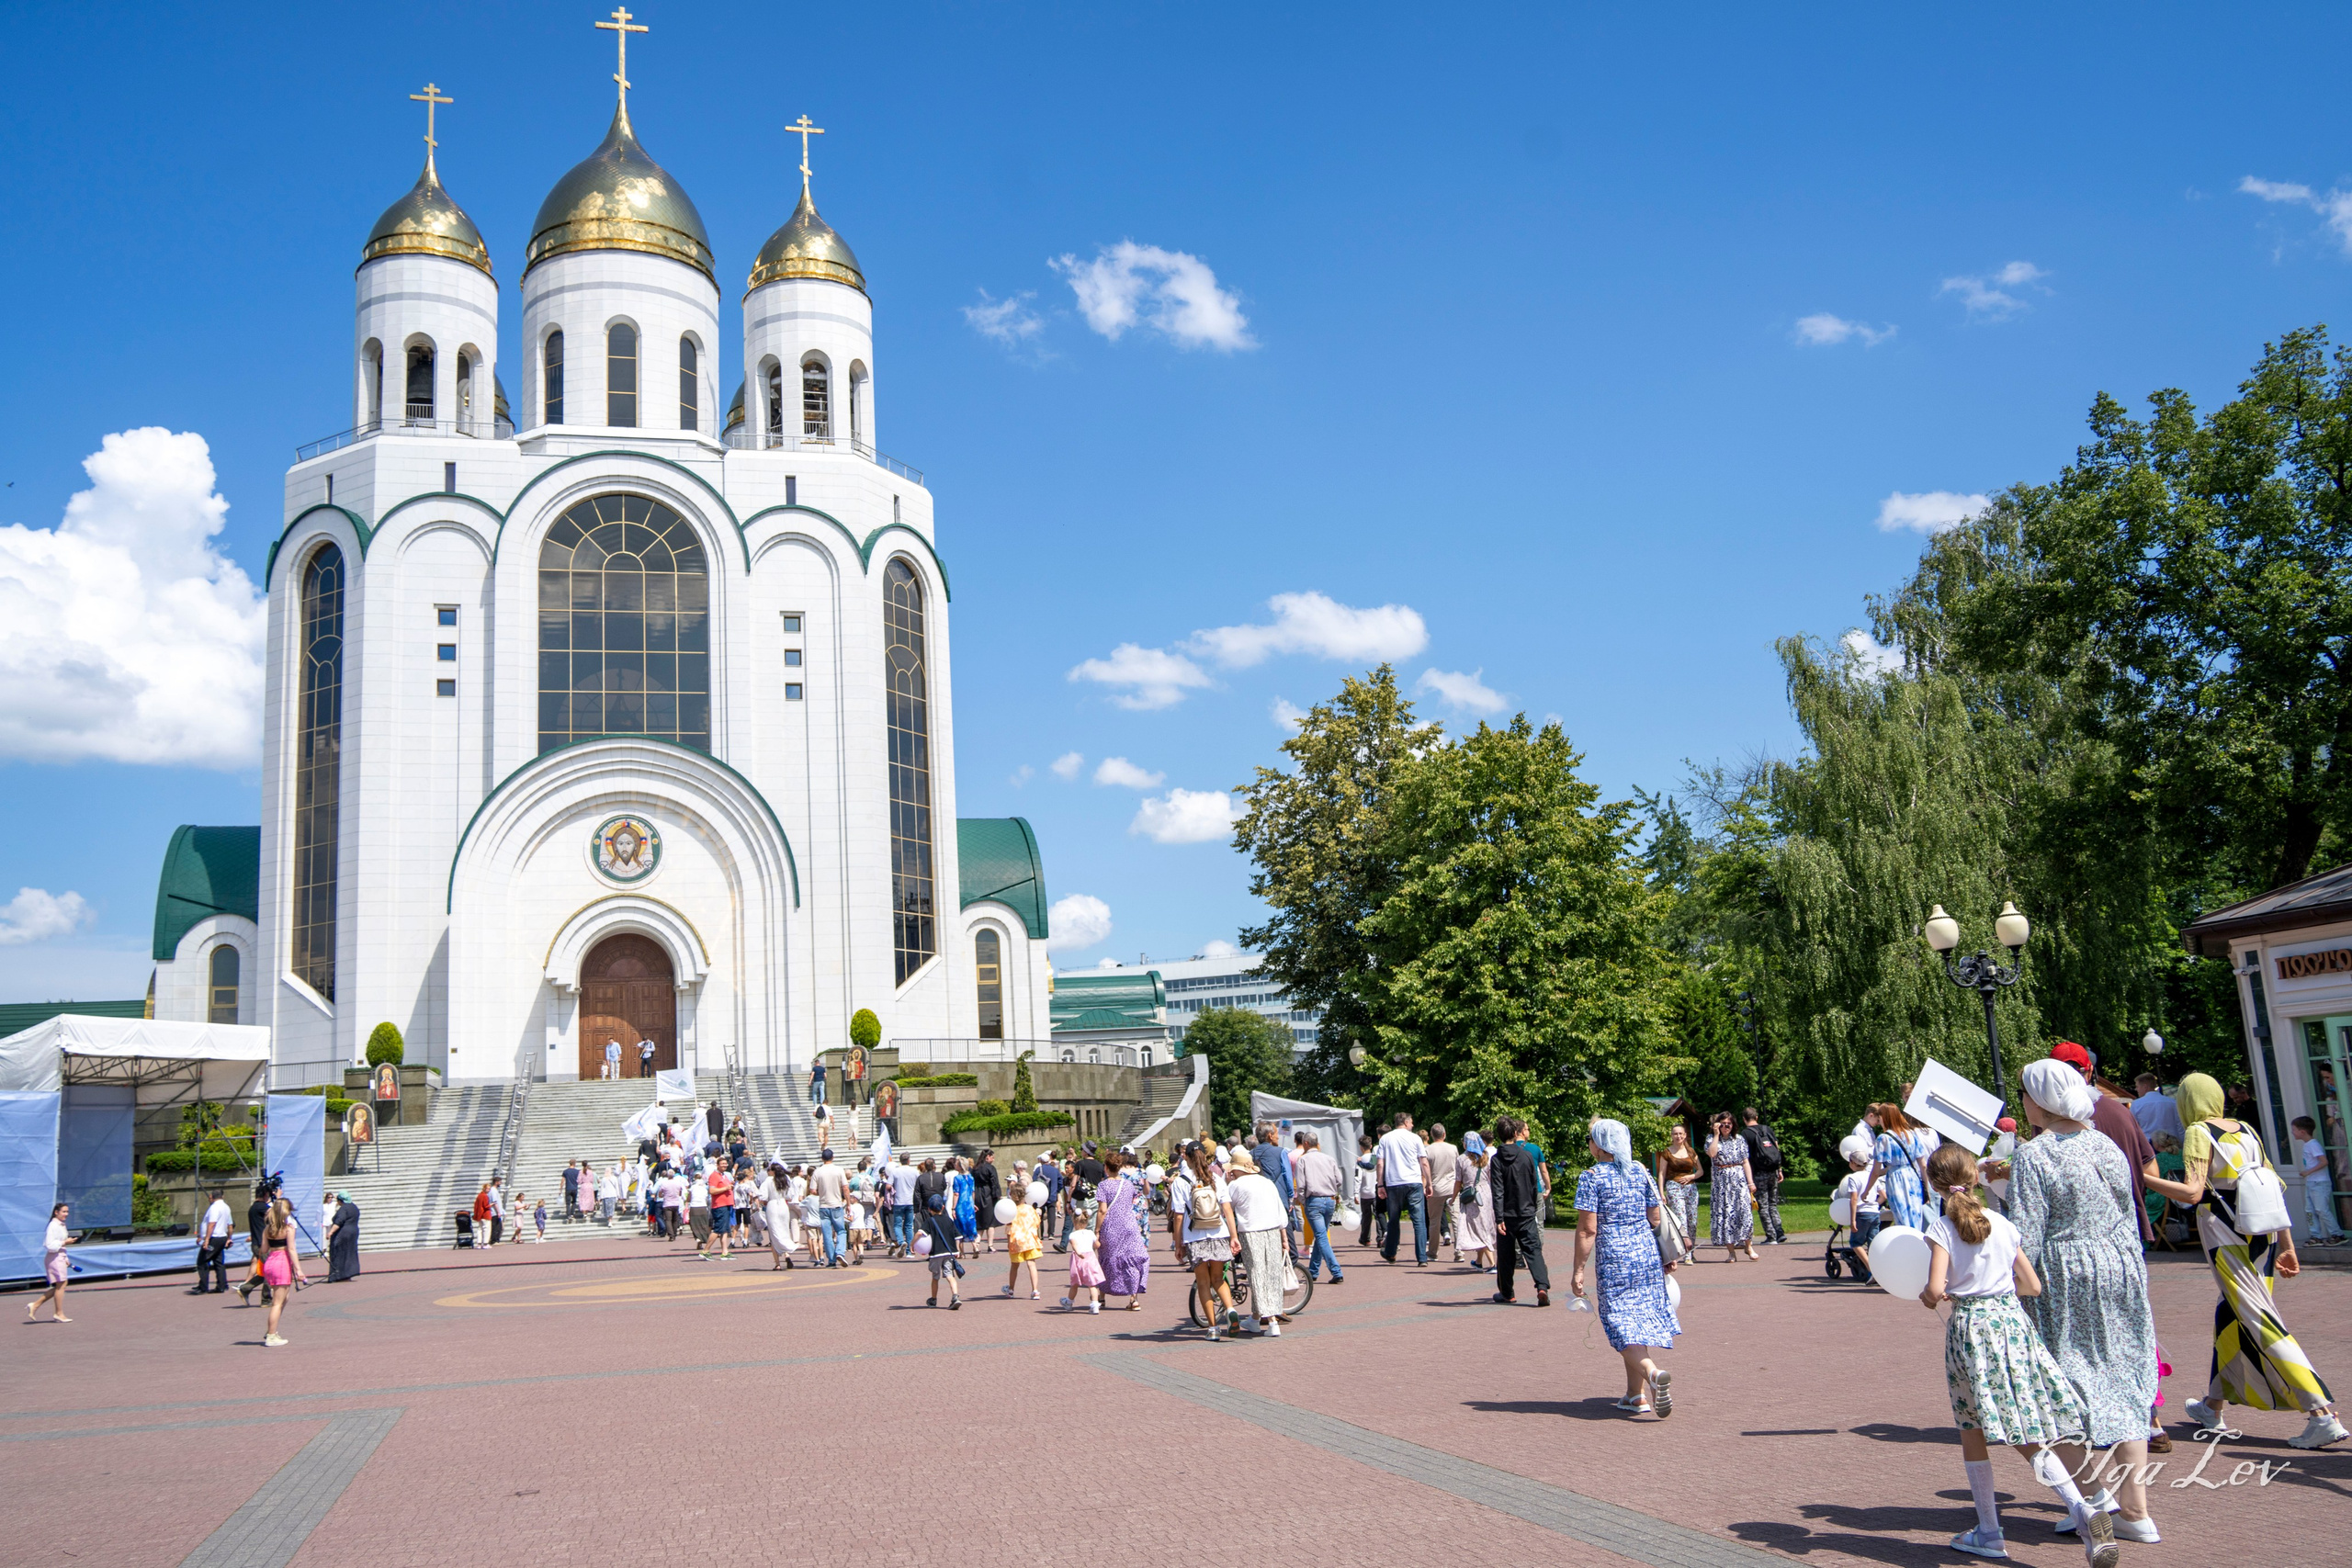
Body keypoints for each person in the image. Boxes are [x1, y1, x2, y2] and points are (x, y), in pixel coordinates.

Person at [1916, 1143, 2112, 1565]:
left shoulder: (1942, 1229)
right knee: (2026, 1425)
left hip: (1972, 1329)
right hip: (2013, 1324)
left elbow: (1934, 1289)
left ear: (1935, 1184)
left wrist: (1933, 1297)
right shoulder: (2002, 1224)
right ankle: (2080, 1508)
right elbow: (2033, 1286)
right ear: (1974, 1178)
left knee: (1974, 1427)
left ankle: (1994, 1530)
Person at [2143, 1072, 2346, 1450]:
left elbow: (2192, 1191)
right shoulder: (2246, 1129)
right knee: (2233, 1318)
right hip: (2263, 1236)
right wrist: (2287, 1244)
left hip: (2227, 1237)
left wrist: (2141, 1176)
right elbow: (2272, 1186)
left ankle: (2321, 1414)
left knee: (2258, 1319)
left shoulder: (2199, 1132)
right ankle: (2212, 1406)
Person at [2006, 1059, 2160, 1543]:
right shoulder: (2103, 1143)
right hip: (2119, 1266)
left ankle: (2093, 1500)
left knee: (2055, 1383)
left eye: (2026, 1093)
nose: (2023, 1102)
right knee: (2125, 1375)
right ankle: (2136, 1513)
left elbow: (2026, 1234)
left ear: (2041, 1100)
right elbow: (2125, 1207)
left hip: (2065, 1275)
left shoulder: (2035, 1155)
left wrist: (2011, 1281)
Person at [1570, 1120, 1679, 1416]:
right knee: (1637, 1320)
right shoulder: (1641, 1171)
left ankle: (1653, 1374)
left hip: (1614, 1257)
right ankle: (1636, 1395)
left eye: (1591, 1140)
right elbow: (1655, 1217)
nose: (1589, 1145)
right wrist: (1664, 1253)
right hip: (1644, 1253)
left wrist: (1578, 1271)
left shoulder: (1591, 1177)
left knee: (1618, 1322)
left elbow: (1587, 1230)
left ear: (1600, 1145)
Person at [2048, 1041, 2158, 1245]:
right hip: (2126, 1227)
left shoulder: (2050, 1121)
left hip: (2074, 1237)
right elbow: (2151, 1172)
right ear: (2089, 1071)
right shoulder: (2122, 1113)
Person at [1171, 1142, 1240, 1340]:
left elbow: (1178, 1216)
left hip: (1195, 1236)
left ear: (1187, 1158)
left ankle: (1213, 1329)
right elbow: (1227, 1210)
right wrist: (1233, 1237)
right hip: (1219, 1232)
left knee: (1203, 1282)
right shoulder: (1216, 1178)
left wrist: (1178, 1243)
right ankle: (1230, 1309)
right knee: (1218, 1279)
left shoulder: (1181, 1181)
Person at [1226, 1145, 1292, 1335]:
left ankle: (1271, 1322)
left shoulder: (1235, 1185)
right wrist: (1284, 1239)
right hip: (1272, 1231)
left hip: (1250, 1232)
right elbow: (1280, 1214)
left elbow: (1227, 1209)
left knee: (1257, 1275)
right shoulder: (1266, 1182)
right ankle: (1255, 1319)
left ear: (1236, 1169)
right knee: (1271, 1274)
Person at [1489, 1115, 1552, 1306]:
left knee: (1506, 1256)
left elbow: (1498, 1190)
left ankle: (1507, 1293)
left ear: (1499, 1135)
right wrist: (1533, 1205)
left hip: (1507, 1214)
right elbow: (1534, 1184)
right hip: (1526, 1211)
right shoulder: (1526, 1155)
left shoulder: (1497, 1159)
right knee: (1533, 1251)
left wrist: (1499, 1216)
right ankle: (1542, 1286)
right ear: (1516, 1134)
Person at [1862, 1101, 1941, 1232]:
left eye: (1880, 1117)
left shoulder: (1884, 1138)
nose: (1879, 1120)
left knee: (1901, 1216)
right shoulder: (1912, 1135)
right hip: (1912, 1177)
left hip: (1896, 1179)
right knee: (1916, 1216)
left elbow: (1875, 1172)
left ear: (1885, 1117)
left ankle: (1907, 1246)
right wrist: (1928, 1189)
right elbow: (1923, 1165)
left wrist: (1866, 1191)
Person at [1095, 1150, 1151, 1308]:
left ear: (1106, 1167)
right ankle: (1133, 1299)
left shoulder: (1103, 1185)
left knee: (1107, 1258)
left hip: (1111, 1227)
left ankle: (1102, 1297)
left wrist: (1097, 1230)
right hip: (1129, 1226)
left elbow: (1102, 1210)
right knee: (1131, 1259)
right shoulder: (1128, 1184)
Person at [1375, 1113, 1432, 1265]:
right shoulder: (1415, 1138)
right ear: (1406, 1122)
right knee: (1419, 1220)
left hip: (1394, 1183)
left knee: (1393, 1220)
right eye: (1411, 1122)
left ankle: (1391, 1252)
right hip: (1414, 1182)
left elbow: (1380, 1163)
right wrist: (1429, 1184)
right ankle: (1421, 1257)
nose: (1412, 1125)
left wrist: (1380, 1184)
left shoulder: (1386, 1139)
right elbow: (1424, 1162)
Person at [1704, 1111, 1758, 1262]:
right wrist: (1715, 1135)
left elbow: (1745, 1161)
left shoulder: (1739, 1139)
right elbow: (1712, 1154)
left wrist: (1750, 1182)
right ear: (1717, 1125)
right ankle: (1731, 1252)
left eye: (1729, 1124)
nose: (1726, 1126)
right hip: (1722, 1184)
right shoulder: (1710, 1139)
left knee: (1745, 1213)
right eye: (1723, 1124)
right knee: (1726, 1215)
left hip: (1739, 1180)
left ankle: (1748, 1246)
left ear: (1733, 1125)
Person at [1295, 1129, 1347, 1284]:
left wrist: (1303, 1200)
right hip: (1330, 1199)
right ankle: (1313, 1271)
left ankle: (1336, 1271)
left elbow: (1301, 1185)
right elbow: (1339, 1179)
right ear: (1316, 1143)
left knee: (1321, 1236)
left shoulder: (1303, 1160)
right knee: (1321, 1235)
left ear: (1305, 1143)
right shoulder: (1329, 1158)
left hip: (1314, 1200)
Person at [258, 1197, 308, 1348]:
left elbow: (263, 1250)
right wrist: (299, 1270)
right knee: (277, 1303)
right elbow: (292, 1249)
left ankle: (272, 1331)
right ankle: (271, 1335)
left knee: (283, 1298)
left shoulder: (267, 1229)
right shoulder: (288, 1229)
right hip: (282, 1262)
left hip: (271, 1261)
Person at [1832, 1136, 1885, 1274]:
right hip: (1874, 1213)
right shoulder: (1871, 1175)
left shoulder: (1853, 1178)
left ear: (1853, 1164)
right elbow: (1883, 1196)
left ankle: (1871, 1269)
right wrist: (1875, 1205)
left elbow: (1854, 1199)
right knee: (1873, 1243)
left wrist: (1852, 1220)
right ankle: (1881, 1268)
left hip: (1862, 1213)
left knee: (1856, 1243)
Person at [1739, 1108, 1787, 1245]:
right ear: (1757, 1117)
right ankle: (1779, 1232)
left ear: (1744, 1119)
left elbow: (1745, 1156)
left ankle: (1771, 1236)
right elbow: (1776, 1150)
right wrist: (1779, 1170)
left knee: (1763, 1205)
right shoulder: (1767, 1129)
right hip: (1773, 1171)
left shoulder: (1745, 1133)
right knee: (1773, 1204)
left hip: (1758, 1174)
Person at [2294, 1116, 2346, 1243]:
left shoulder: (2313, 1145)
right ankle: (2315, 1235)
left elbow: (2324, 1162)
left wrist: (2308, 1172)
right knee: (2310, 1210)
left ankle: (2337, 1234)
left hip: (2319, 1182)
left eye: (2294, 1130)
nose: (2292, 1133)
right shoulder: (2308, 1145)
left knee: (2321, 1209)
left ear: (2302, 1132)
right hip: (2311, 1182)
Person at [1655, 1125, 1701, 1255]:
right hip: (1674, 1187)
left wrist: (1691, 1176)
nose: (1678, 1136)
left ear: (1685, 1135)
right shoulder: (1667, 1152)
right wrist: (1661, 1192)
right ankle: (1686, 1253)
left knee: (1692, 1220)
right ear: (1672, 1136)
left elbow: (1700, 1171)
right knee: (1681, 1218)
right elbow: (1662, 1174)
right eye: (1675, 1134)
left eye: (1681, 1133)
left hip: (1691, 1188)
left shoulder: (1690, 1152)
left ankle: (1691, 1248)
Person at [1454, 1132, 1496, 1270]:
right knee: (1483, 1225)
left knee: (1479, 1228)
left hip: (1472, 1196)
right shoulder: (1486, 1157)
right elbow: (1491, 1178)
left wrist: (1453, 1197)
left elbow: (1458, 1182)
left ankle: (1492, 1264)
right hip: (1486, 1194)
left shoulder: (1461, 1159)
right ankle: (1479, 1261)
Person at [28, 1201, 74, 1323]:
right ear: (56, 1212)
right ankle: (58, 1313)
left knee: (61, 1285)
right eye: (64, 1211)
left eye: (67, 1212)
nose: (66, 1214)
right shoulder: (53, 1226)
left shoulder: (61, 1225)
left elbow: (60, 1244)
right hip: (54, 1258)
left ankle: (35, 1305)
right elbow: (49, 1245)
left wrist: (66, 1258)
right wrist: (65, 1242)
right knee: (61, 1285)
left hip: (60, 1257)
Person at [919, 1191, 964, 1309]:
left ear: (929, 1209)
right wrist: (958, 1250)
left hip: (936, 1253)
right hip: (949, 1252)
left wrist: (913, 1244)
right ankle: (955, 1296)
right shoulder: (949, 1220)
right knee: (950, 1275)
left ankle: (933, 1300)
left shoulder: (930, 1221)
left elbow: (920, 1233)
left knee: (935, 1276)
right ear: (943, 1207)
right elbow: (958, 1236)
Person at [1423, 1122, 1459, 1259]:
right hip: (1452, 1188)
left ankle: (1433, 1252)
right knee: (1456, 1220)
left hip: (1435, 1189)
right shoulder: (1453, 1148)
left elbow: (1425, 1169)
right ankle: (1459, 1252)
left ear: (1432, 1135)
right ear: (1444, 1134)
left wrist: (1427, 1186)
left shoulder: (1428, 1150)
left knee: (1434, 1221)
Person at [1001, 1181, 1044, 1300]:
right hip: (1030, 1240)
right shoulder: (1030, 1209)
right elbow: (1037, 1223)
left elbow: (1009, 1228)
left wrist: (1008, 1241)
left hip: (1017, 1242)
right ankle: (1035, 1290)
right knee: (1031, 1264)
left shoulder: (1011, 1211)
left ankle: (1011, 1290)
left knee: (1014, 1266)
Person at [191, 1188, 233, 1295]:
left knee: (202, 1261)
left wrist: (206, 1240)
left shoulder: (214, 1208)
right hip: (222, 1237)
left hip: (214, 1238)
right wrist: (229, 1238)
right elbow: (230, 1225)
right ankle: (222, 1285)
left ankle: (203, 1286)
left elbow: (211, 1224)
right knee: (219, 1262)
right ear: (222, 1196)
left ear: (213, 1197)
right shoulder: (226, 1207)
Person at [812, 1148, 850, 1267]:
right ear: (832, 1157)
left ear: (822, 1158)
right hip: (836, 1204)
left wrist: (822, 1193)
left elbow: (813, 1190)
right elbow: (845, 1188)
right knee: (841, 1231)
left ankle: (832, 1260)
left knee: (827, 1234)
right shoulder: (839, 1170)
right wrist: (848, 1204)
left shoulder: (817, 1172)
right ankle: (840, 1252)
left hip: (823, 1205)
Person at [2130, 1073, 2184, 1146]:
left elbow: (2132, 1128)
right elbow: (2180, 1126)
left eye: (2137, 1086)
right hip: (2171, 1144)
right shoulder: (2172, 1102)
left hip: (2149, 1146)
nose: (2136, 1089)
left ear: (2145, 1086)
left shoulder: (2136, 1104)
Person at [886, 1153, 919, 1257]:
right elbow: (918, 1184)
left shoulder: (895, 1171)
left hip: (899, 1201)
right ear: (909, 1160)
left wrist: (894, 1187)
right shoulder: (914, 1171)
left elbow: (888, 1186)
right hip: (910, 1201)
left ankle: (901, 1242)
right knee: (909, 1226)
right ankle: (909, 1251)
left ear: (900, 1161)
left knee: (897, 1225)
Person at [325, 1192, 361, 1281]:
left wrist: (330, 1232)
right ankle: (349, 1273)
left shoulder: (343, 1209)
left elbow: (339, 1222)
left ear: (341, 1201)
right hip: (353, 1232)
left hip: (343, 1234)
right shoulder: (354, 1207)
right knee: (350, 1253)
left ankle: (339, 1275)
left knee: (339, 1253)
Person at [972, 1151, 1003, 1254]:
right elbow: (994, 1183)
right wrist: (997, 1196)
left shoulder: (975, 1168)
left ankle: (976, 1244)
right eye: (992, 1157)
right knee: (990, 1222)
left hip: (977, 1194)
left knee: (980, 1222)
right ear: (987, 1157)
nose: (993, 1160)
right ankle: (990, 1246)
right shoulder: (990, 1168)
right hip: (988, 1194)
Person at [705, 1162, 735, 1261]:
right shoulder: (714, 1176)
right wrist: (726, 1188)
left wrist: (730, 1186)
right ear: (717, 1165)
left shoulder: (723, 1175)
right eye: (722, 1164)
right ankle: (705, 1251)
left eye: (726, 1164)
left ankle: (725, 1252)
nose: (725, 1165)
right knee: (718, 1229)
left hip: (726, 1205)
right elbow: (712, 1191)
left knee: (725, 1229)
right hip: (719, 1206)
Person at [1354, 1134, 1379, 1248]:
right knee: (1378, 1215)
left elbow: (1357, 1178)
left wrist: (1355, 1193)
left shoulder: (1360, 1161)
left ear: (1361, 1147)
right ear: (1371, 1146)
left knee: (1366, 1216)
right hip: (1376, 1190)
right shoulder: (1376, 1158)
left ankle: (1365, 1238)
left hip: (1364, 1193)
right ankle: (1380, 1238)